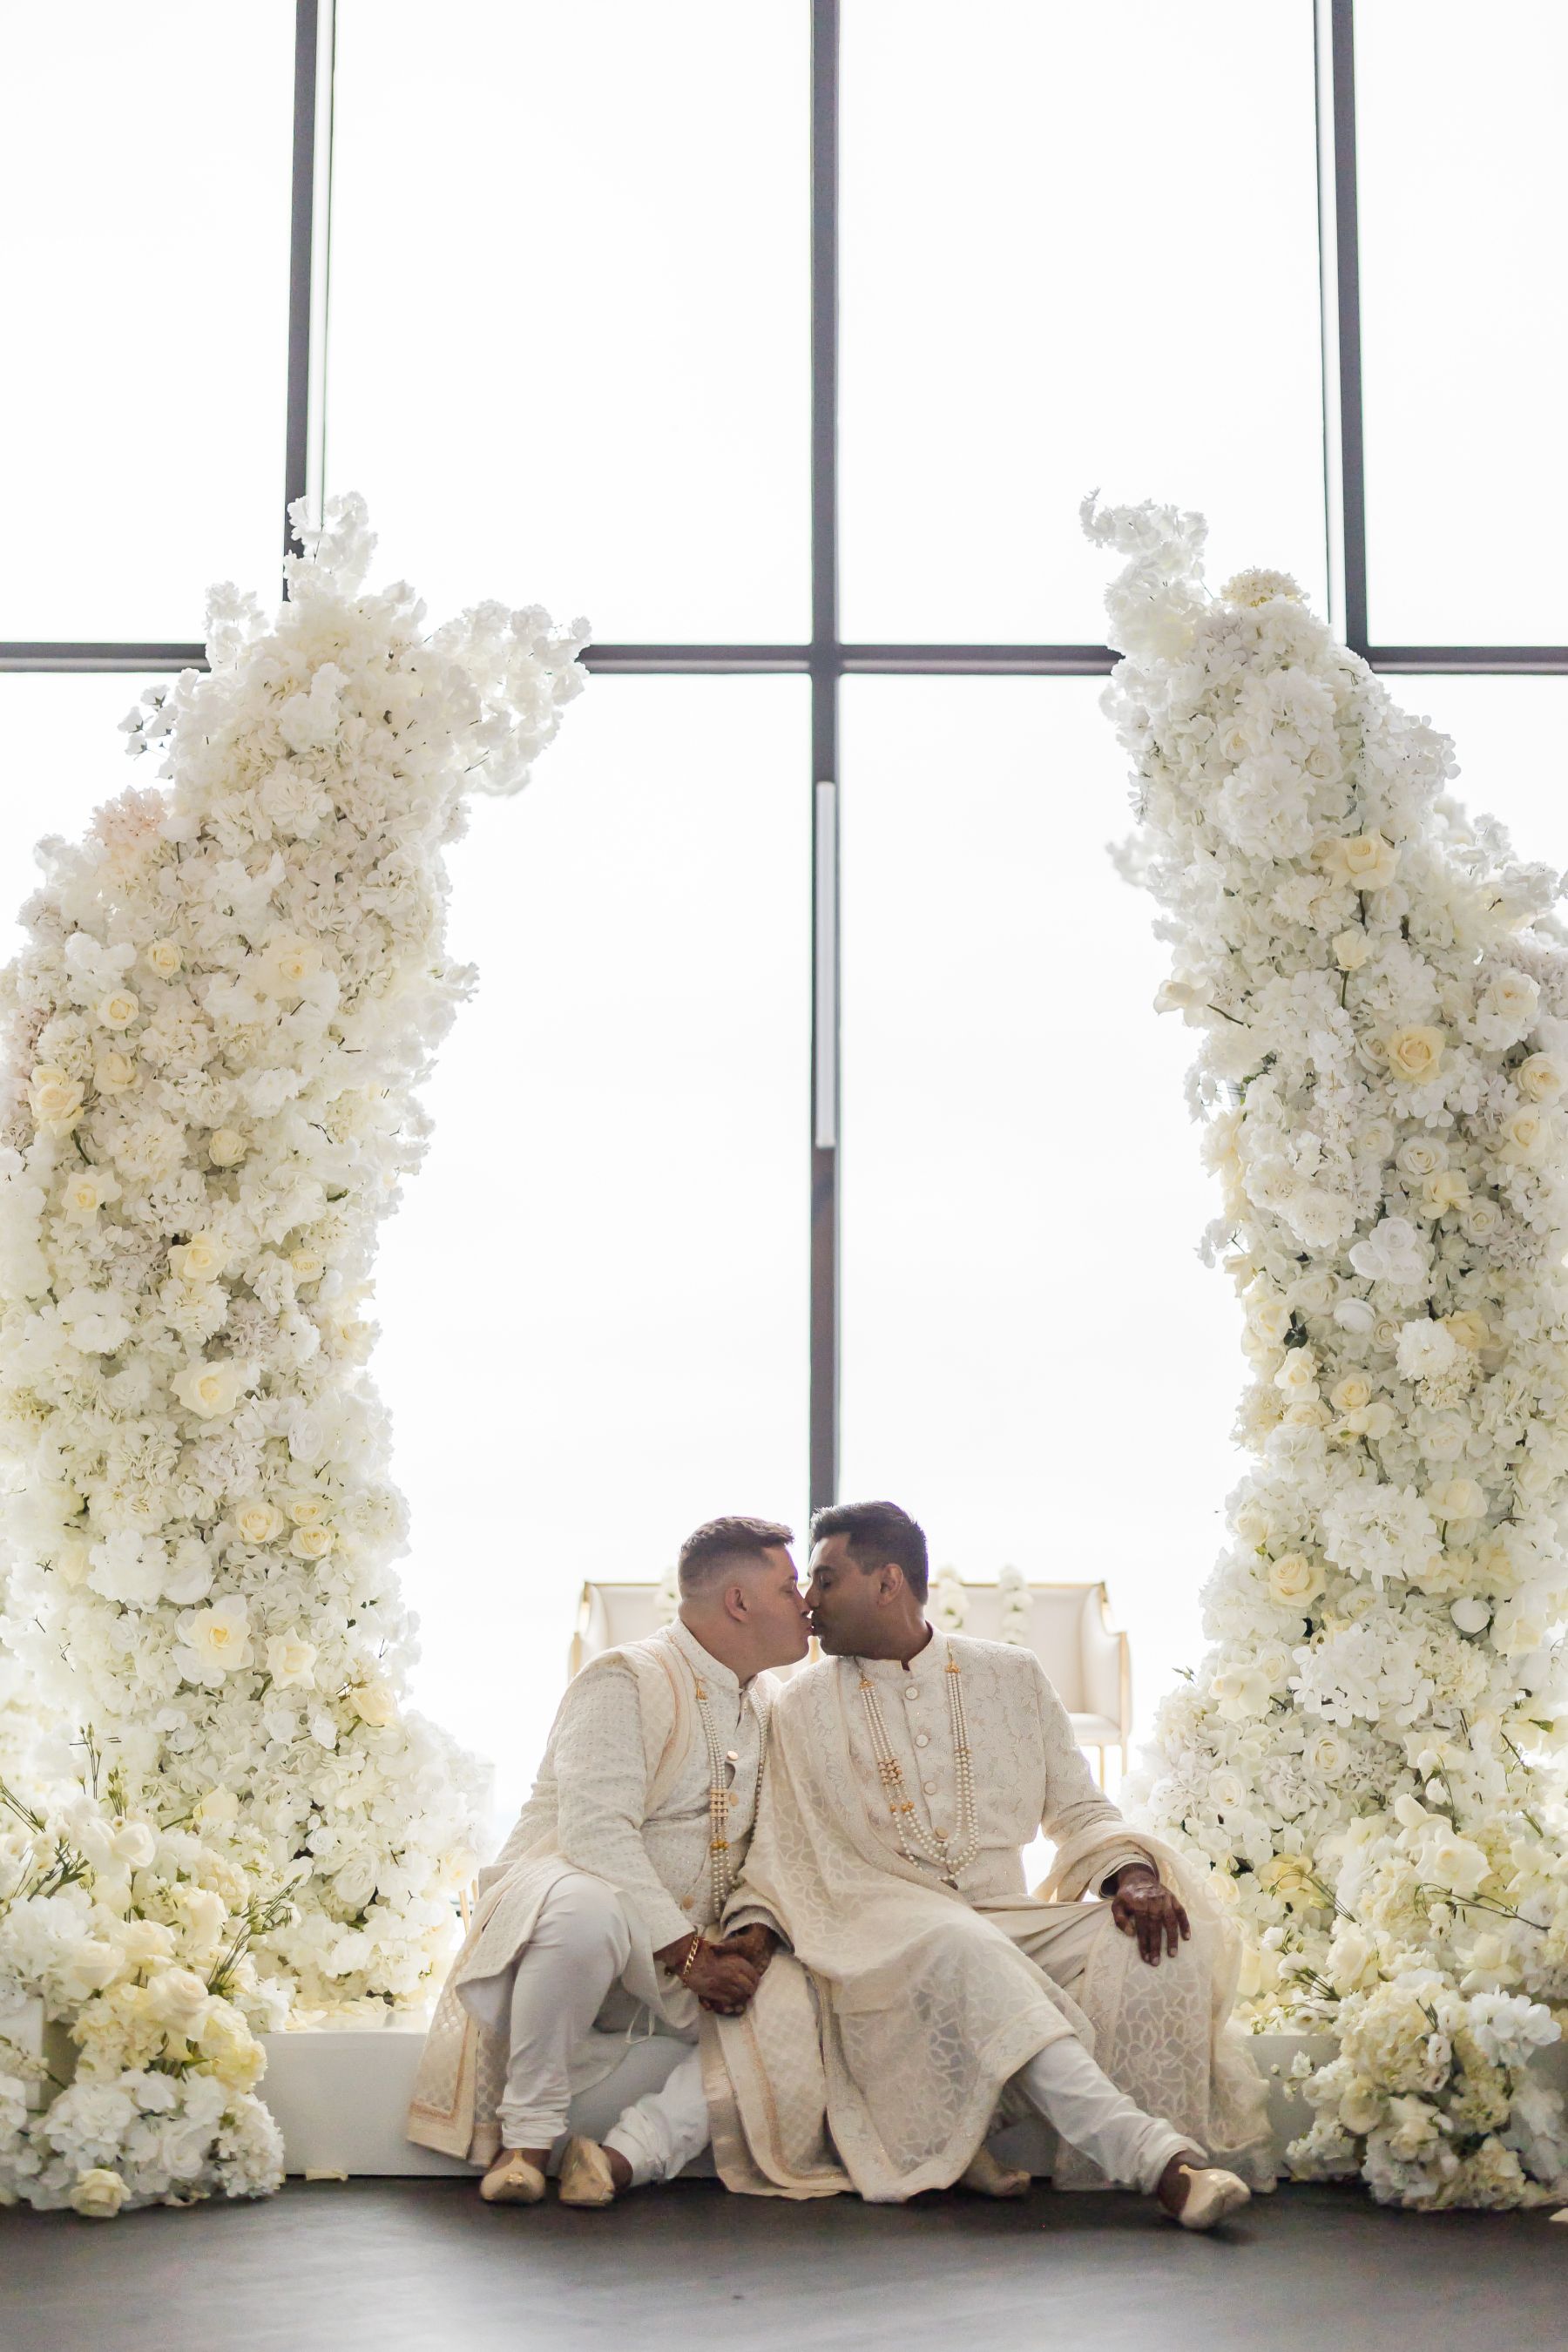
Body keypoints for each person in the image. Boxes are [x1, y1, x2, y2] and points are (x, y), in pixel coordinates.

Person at [704, 1499, 1271, 2229]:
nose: (809, 1603)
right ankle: (1159, 2161)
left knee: (1158, 1941)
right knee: (957, 1940)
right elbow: (780, 1846)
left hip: (1007, 1918)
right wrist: (752, 1936)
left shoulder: (1012, 1675)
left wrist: (1132, 1876)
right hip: (886, 1932)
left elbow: (1078, 1808)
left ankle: (987, 2139)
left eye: (825, 1579)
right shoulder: (797, 1705)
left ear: (888, 1583)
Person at [407, 1514, 808, 2205]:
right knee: (586, 1901)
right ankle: (525, 2143)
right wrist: (690, 1956)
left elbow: (777, 1837)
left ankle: (621, 2158)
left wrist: (756, 1932)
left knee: (801, 1994)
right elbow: (597, 1835)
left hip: (699, 1951)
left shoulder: (768, 1701)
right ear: (739, 1602)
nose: (804, 1603)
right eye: (790, 1586)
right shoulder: (625, 1678)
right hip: (592, 1938)